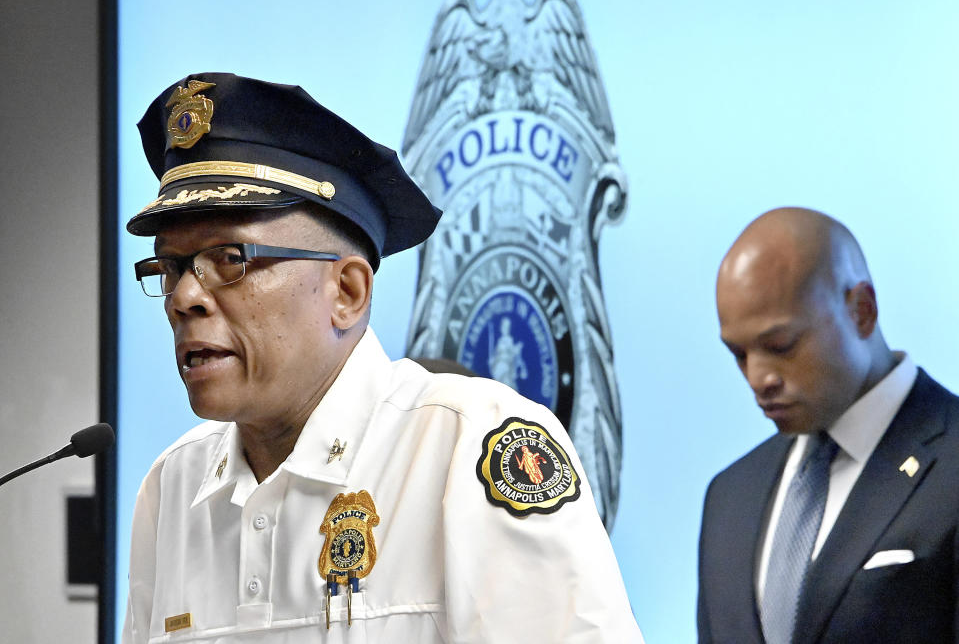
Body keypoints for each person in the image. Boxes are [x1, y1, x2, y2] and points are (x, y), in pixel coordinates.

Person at [121, 72, 643, 643]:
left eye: (229, 257)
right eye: (169, 268)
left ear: (347, 293)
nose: (184, 297)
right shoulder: (172, 487)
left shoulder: (467, 448)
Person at [698, 207, 959, 644]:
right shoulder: (728, 499)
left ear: (861, 310)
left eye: (780, 345)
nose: (758, 378)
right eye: (739, 354)